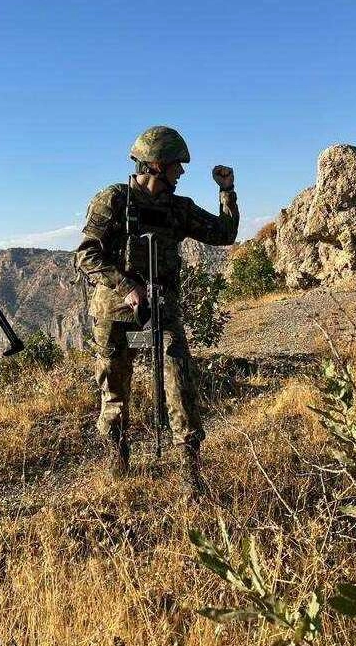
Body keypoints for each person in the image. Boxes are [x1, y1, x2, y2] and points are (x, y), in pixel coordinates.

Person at [74, 125, 239, 495]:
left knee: (179, 379)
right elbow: (86, 254)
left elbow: (224, 233)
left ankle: (189, 469)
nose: (181, 173)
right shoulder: (114, 200)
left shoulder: (176, 208)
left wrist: (226, 191)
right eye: (176, 166)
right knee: (113, 386)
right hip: (115, 310)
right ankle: (118, 457)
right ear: (154, 164)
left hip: (162, 307)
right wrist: (126, 286)